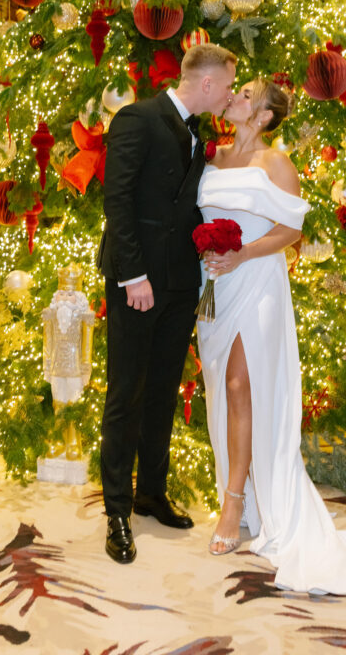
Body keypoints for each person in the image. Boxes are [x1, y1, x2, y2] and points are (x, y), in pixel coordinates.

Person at [197, 78, 346, 595]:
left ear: (262, 117)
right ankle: (238, 487)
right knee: (222, 388)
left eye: (244, 96)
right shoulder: (211, 157)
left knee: (242, 385)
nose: (234, 98)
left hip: (256, 280)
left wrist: (242, 254)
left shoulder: (276, 163)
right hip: (212, 286)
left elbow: (292, 232)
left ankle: (234, 503)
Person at [98, 43, 237, 564]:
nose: (227, 96)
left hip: (181, 281)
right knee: (126, 393)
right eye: (225, 86)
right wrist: (133, 275)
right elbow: (118, 200)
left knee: (161, 392)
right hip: (137, 280)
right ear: (205, 84)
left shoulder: (198, 134)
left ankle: (150, 492)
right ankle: (116, 510)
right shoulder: (138, 118)